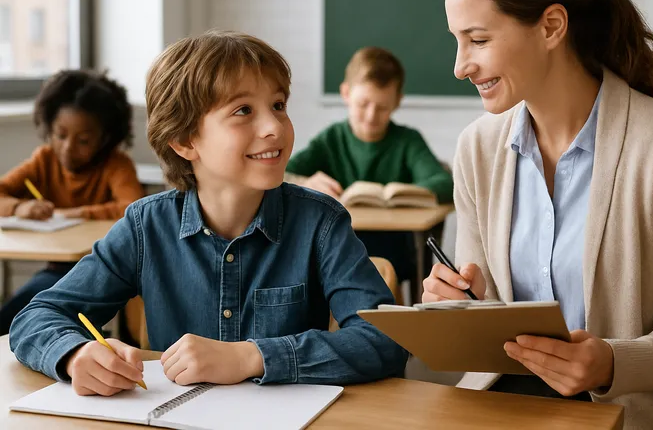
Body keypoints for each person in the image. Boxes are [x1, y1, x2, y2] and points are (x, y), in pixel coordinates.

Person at [421, 0, 653, 429]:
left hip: (628, 410)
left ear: (550, 26)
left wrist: (611, 361)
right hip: (503, 402)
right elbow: (488, 310)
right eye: (458, 41)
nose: (461, 66)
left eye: (478, 40)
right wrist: (455, 307)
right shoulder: (477, 147)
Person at [10, 30, 408, 395]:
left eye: (278, 104)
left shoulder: (321, 223)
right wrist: (74, 355)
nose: (274, 126)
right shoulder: (145, 227)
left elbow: (385, 340)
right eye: (243, 111)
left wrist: (252, 357)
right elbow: (37, 316)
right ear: (184, 140)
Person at [286, 46, 453, 282]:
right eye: (363, 104)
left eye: (382, 107)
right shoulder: (331, 139)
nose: (371, 115)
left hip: (397, 251)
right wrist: (307, 181)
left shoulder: (407, 141)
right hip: (338, 244)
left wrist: (405, 195)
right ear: (345, 93)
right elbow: (281, 173)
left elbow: (445, 183)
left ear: (397, 102)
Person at [0, 69, 144, 335]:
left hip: (108, 272)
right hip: (59, 270)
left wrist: (75, 213)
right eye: (60, 135)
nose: (67, 147)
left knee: (39, 308)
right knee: (25, 307)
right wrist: (19, 207)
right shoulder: (44, 159)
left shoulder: (115, 165)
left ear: (105, 138)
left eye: (84, 141)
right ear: (48, 127)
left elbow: (132, 207)